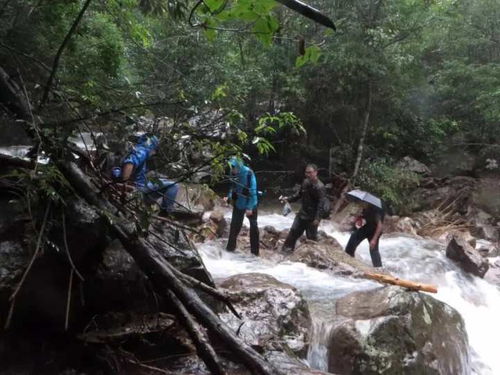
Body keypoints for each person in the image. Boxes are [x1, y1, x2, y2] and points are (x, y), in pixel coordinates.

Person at [120, 134, 179, 212]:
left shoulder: (135, 149)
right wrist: (124, 186)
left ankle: (149, 205)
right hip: (137, 189)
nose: (154, 153)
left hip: (138, 186)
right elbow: (129, 163)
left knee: (158, 181)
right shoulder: (142, 151)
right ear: (151, 146)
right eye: (155, 149)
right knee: (173, 185)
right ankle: (166, 212)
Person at [281, 164, 327, 252]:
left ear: (316, 173)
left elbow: (321, 204)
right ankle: (286, 251)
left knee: (311, 239)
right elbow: (299, 195)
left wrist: (317, 218)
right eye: (306, 172)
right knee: (293, 232)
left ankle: (313, 257)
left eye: (310, 172)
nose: (308, 174)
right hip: (302, 213)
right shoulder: (305, 182)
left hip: (312, 217)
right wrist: (288, 199)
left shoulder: (320, 187)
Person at [224, 157, 259, 256]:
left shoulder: (249, 173)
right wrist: (229, 197)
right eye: (231, 167)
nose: (232, 169)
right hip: (238, 203)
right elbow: (232, 188)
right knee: (234, 226)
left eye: (233, 167)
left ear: (239, 166)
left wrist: (250, 207)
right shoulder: (233, 174)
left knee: (253, 226)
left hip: (250, 202)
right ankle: (230, 249)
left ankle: (255, 253)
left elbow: (253, 191)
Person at [345, 202, 384, 267]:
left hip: (374, 231)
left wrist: (374, 240)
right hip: (367, 227)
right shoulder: (366, 208)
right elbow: (363, 219)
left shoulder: (376, 210)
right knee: (353, 237)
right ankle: (349, 256)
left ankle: (379, 268)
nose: (363, 203)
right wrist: (359, 219)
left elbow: (380, 226)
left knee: (373, 249)